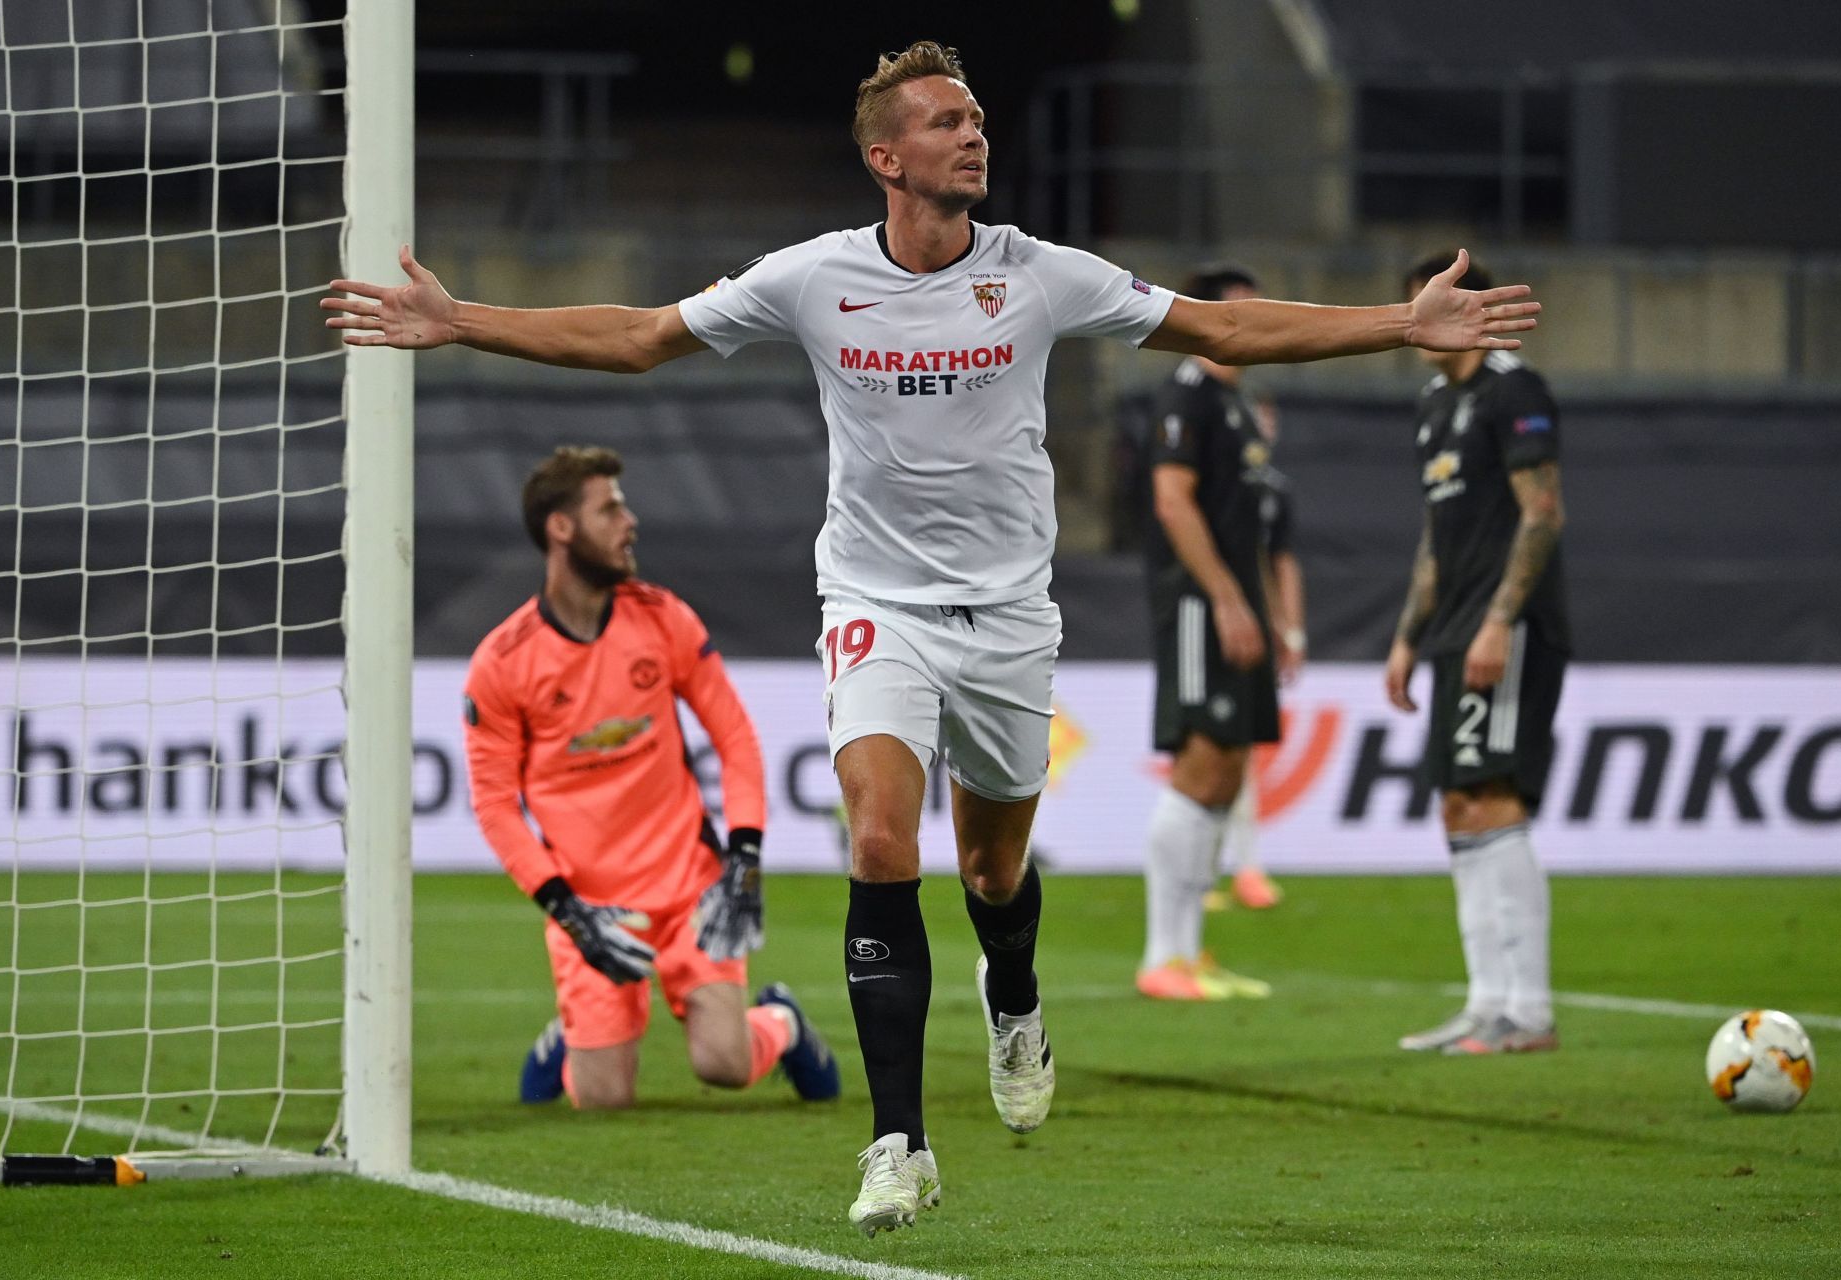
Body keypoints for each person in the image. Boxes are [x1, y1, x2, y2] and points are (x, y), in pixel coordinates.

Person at [325, 41, 1538, 1236]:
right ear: (885, 155)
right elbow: (642, 337)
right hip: (875, 604)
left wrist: (1399, 322)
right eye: (949, 121)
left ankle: (1013, 994)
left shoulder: (1040, 274)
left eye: (976, 119)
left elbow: (1223, 330)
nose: (976, 135)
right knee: (880, 836)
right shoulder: (813, 278)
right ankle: (897, 1142)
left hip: (1010, 612)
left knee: (995, 874)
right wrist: (461, 320)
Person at [460, 446, 840, 1112]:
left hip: (687, 889)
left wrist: (744, 857)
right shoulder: (503, 662)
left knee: (721, 1062)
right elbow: (494, 806)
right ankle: (570, 1042)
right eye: (610, 509)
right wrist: (567, 911)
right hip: (592, 906)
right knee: (603, 1100)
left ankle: (782, 1023)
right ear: (561, 528)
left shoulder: (661, 618)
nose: (630, 522)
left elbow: (735, 738)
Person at [1385, 253, 1569, 1056]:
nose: (1414, 318)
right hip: (1455, 626)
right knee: (1458, 803)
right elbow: (1436, 535)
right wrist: (1407, 636)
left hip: (1510, 626)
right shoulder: (1434, 404)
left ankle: (1527, 1011)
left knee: (1493, 797)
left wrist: (1500, 622)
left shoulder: (1511, 387)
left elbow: (1542, 513)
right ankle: (1487, 1000)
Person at [1137, 263, 1294, 1001]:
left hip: (1238, 607)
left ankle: (1189, 952)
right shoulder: (1187, 396)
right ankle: (1162, 955)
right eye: (1238, 314)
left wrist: (1270, 616)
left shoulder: (1239, 407)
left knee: (1228, 769)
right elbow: (1173, 503)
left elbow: (1257, 533)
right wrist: (1227, 600)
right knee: (1201, 763)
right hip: (1202, 606)